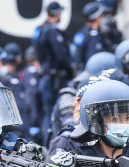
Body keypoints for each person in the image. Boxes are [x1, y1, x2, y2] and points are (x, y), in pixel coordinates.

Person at [33, 1, 74, 144]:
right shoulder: (52, 31)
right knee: (54, 112)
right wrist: (70, 71)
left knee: (47, 112)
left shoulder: (40, 29)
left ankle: (47, 142)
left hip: (45, 77)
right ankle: (53, 143)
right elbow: (61, 55)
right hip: (54, 79)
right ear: (56, 13)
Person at [73, 2, 108, 71]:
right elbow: (89, 59)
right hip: (90, 73)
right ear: (97, 17)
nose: (102, 18)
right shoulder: (90, 35)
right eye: (101, 15)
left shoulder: (82, 32)